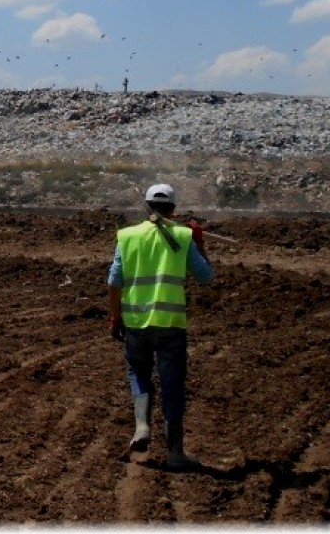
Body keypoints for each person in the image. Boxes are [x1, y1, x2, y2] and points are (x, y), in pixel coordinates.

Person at [107, 183, 214, 470]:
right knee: (172, 385)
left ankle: (142, 426)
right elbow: (206, 276)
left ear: (146, 207)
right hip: (171, 324)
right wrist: (199, 242)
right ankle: (175, 454)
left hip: (137, 323)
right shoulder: (183, 236)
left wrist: (116, 317)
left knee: (138, 373)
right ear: (174, 209)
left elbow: (114, 282)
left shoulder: (128, 237)